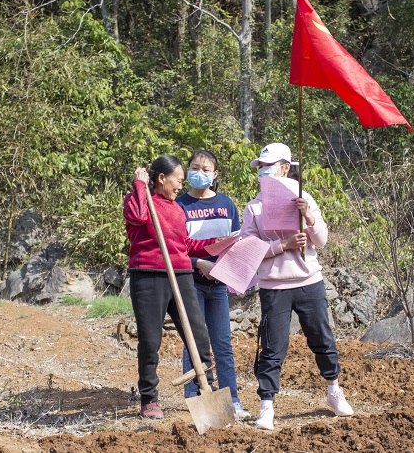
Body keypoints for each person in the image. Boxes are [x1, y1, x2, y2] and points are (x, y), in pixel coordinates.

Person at [241, 142, 354, 430]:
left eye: (269, 166)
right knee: (272, 345)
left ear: (286, 167)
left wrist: (309, 217)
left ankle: (334, 391)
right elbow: (248, 247)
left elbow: (322, 239)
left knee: (321, 337)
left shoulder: (305, 198)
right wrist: (283, 246)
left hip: (309, 281)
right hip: (273, 285)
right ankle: (266, 405)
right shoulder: (254, 206)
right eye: (261, 168)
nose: (264, 172)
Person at [123, 155, 218, 419]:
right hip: (148, 275)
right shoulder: (137, 200)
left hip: (182, 274)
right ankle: (149, 398)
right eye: (178, 180)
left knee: (198, 335)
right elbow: (139, 218)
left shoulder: (177, 208)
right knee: (150, 339)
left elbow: (185, 246)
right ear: (161, 179)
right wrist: (140, 186)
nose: (180, 186)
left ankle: (205, 387)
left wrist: (215, 244)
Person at [176, 149, 251, 420]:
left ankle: (232, 399)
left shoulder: (227, 205)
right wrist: (200, 263)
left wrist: (221, 270)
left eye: (206, 169)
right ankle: (193, 398)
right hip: (191, 282)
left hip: (218, 284)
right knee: (194, 342)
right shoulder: (180, 205)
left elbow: (234, 244)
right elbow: (176, 246)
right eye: (195, 168)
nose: (200, 173)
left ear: (215, 174)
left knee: (222, 342)